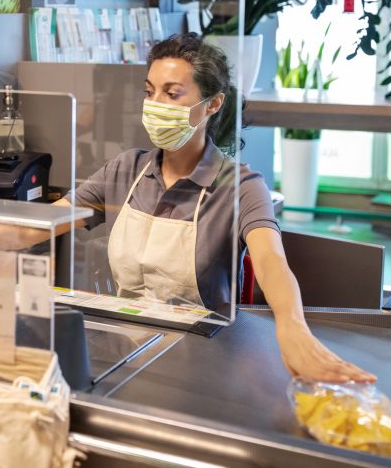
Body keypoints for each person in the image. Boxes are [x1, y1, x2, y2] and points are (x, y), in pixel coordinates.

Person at [64, 33, 374, 383]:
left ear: (212, 105)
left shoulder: (239, 185)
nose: (155, 104)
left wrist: (293, 327)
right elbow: (52, 219)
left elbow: (272, 260)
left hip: (203, 367)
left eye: (172, 93)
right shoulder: (126, 170)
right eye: (149, 92)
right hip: (123, 360)